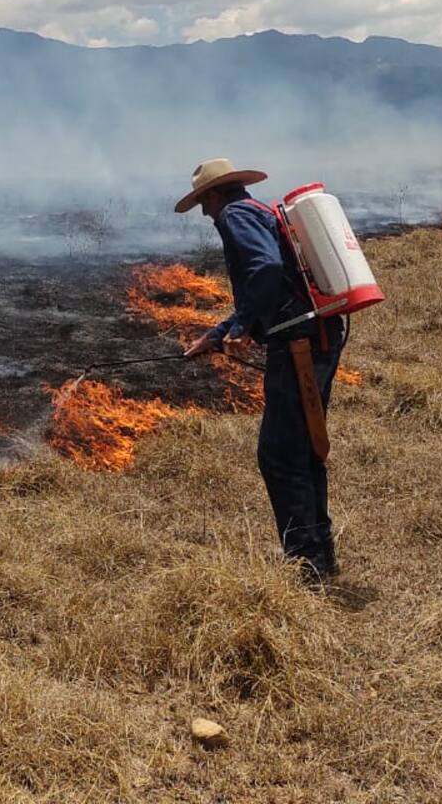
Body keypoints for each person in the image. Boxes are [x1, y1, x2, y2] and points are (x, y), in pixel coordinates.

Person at [175, 158, 347, 584]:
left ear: (215, 194)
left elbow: (266, 271)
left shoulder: (234, 216)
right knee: (304, 448)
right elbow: (265, 283)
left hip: (298, 346)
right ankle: (318, 554)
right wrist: (218, 334)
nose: (205, 212)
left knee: (279, 455)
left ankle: (306, 562)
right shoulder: (258, 211)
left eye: (204, 202)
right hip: (319, 335)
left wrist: (247, 327)